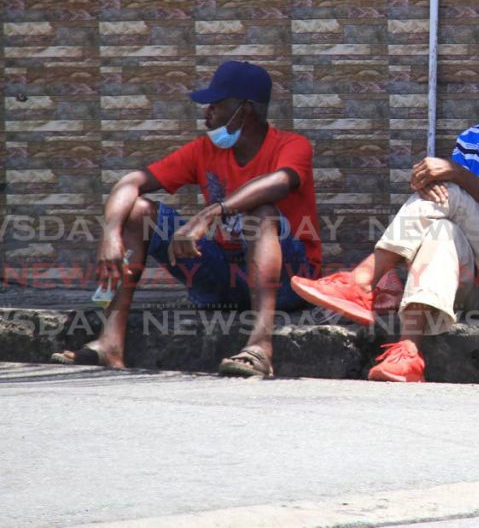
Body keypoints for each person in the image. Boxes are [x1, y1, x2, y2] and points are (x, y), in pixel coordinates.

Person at [290, 48, 479, 383]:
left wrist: (455, 174)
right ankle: (409, 353)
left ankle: (361, 280)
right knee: (440, 230)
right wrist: (426, 183)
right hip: (478, 278)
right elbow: (443, 196)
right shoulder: (474, 139)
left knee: (453, 194)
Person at [52, 61, 321, 378]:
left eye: (216, 105)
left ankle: (260, 346)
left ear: (244, 109)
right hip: (222, 276)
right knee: (138, 211)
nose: (207, 113)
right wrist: (110, 233)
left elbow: (282, 181)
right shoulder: (204, 150)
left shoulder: (291, 145)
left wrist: (210, 213)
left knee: (260, 212)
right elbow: (131, 182)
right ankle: (110, 342)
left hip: (290, 282)